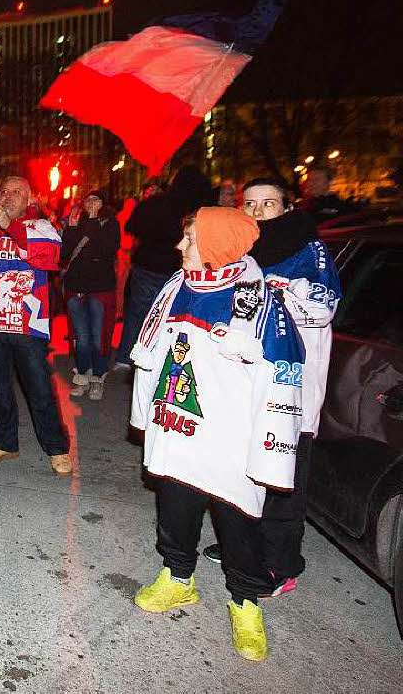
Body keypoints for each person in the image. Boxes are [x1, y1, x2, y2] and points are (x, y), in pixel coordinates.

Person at [130, 207, 304, 661]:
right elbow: (150, 356)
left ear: (216, 247)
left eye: (189, 239)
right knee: (175, 506)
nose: (179, 247)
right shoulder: (174, 288)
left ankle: (246, 602)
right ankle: (177, 577)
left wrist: (271, 452)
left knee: (237, 522)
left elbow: (281, 380)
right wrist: (146, 416)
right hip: (178, 428)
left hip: (230, 440)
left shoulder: (260, 301)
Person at [200, 178, 341, 596]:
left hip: (290, 387)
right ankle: (244, 548)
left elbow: (322, 307)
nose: (260, 211)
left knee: (283, 477)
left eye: (269, 203)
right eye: (251, 204)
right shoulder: (241, 250)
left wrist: (278, 291)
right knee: (246, 471)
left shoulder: (308, 250)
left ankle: (281, 565)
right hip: (245, 383)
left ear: (287, 207)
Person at [0, 176, 72, 476]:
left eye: (17, 192)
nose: (8, 196)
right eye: (4, 192)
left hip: (28, 328)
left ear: (30, 200)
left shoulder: (40, 227)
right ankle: (5, 442)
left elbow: (50, 257)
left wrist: (11, 226)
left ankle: (57, 448)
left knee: (40, 391)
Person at [114, 166, 213, 369]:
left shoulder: (153, 204)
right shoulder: (195, 210)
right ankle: (159, 357)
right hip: (176, 269)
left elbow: (131, 227)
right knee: (170, 316)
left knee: (138, 313)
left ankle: (126, 355)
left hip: (148, 265)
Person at [60, 190, 121, 400]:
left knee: (98, 336)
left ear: (103, 203)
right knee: (81, 337)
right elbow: (66, 252)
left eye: (95, 199)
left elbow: (106, 249)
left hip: (100, 287)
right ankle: (82, 377)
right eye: (88, 200)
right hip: (76, 286)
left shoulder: (111, 224)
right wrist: (72, 227)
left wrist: (93, 221)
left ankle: (97, 378)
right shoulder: (77, 222)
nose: (91, 203)